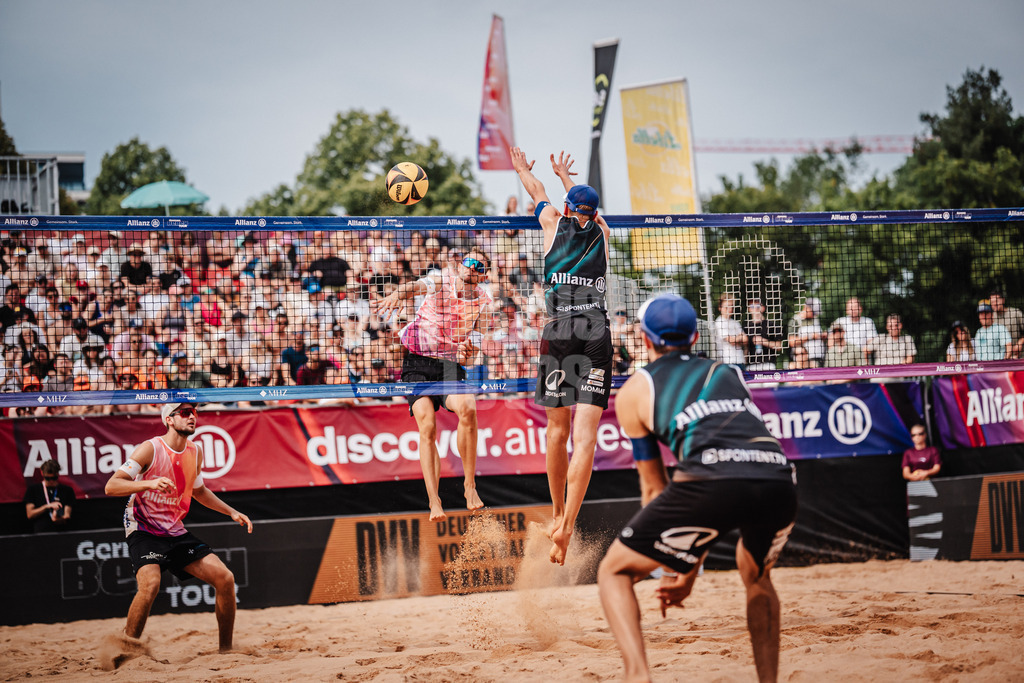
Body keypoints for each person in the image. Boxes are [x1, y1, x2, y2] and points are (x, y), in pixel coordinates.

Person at [598, 293, 797, 683]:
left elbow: (655, 489)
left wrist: (674, 566)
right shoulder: (728, 372)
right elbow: (723, 494)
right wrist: (686, 571)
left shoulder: (636, 388)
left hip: (710, 482)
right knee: (756, 573)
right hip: (778, 478)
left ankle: (637, 675)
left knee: (614, 571)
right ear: (694, 338)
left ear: (644, 338)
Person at [511, 146, 613, 566]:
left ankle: (556, 514)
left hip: (560, 331)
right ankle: (569, 523)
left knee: (557, 431)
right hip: (597, 330)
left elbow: (536, 190)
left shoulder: (553, 221)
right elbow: (586, 207)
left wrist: (523, 170)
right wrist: (569, 180)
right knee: (585, 439)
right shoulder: (603, 230)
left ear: (568, 208)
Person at [104, 403, 252, 653]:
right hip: (144, 528)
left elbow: (199, 491)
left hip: (174, 529)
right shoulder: (150, 448)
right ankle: (126, 651)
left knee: (225, 579)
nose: (192, 416)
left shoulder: (195, 451)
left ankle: (226, 651)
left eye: (194, 412)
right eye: (185, 413)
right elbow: (111, 486)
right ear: (169, 420)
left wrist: (231, 511)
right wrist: (148, 484)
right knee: (151, 584)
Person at [374, 248, 491, 522]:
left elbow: (471, 357)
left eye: (480, 267)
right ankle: (434, 500)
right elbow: (414, 287)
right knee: (427, 426)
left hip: (449, 365)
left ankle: (469, 485)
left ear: (484, 276)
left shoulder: (484, 304)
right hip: (417, 362)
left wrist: (468, 354)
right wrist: (398, 294)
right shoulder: (441, 280)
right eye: (470, 262)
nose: (472, 268)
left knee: (468, 408)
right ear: (460, 265)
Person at [24, 458, 76, 532]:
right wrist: (47, 506)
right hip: (40, 533)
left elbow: (67, 515)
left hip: (61, 532)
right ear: (42, 473)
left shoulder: (67, 490)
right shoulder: (33, 490)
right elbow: (30, 514)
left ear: (58, 474)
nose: (51, 481)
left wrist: (58, 519)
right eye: (47, 478)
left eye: (54, 478)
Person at [787, 297, 826, 367]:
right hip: (803, 360)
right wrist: (810, 336)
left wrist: (822, 337)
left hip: (819, 357)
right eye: (814, 312)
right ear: (806, 308)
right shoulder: (795, 321)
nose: (815, 315)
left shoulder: (816, 320)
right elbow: (792, 341)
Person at [714, 294, 747, 368]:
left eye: (731, 306)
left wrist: (736, 339)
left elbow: (745, 339)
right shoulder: (719, 322)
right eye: (727, 307)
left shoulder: (735, 323)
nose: (729, 309)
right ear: (720, 308)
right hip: (727, 362)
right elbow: (731, 341)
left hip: (740, 360)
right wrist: (739, 338)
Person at [989, 290, 1023, 358]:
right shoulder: (991, 317)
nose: (994, 304)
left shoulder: (1015, 313)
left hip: (1019, 356)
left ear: (1003, 300)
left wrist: (1020, 342)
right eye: (992, 302)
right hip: (1000, 358)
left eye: (996, 301)